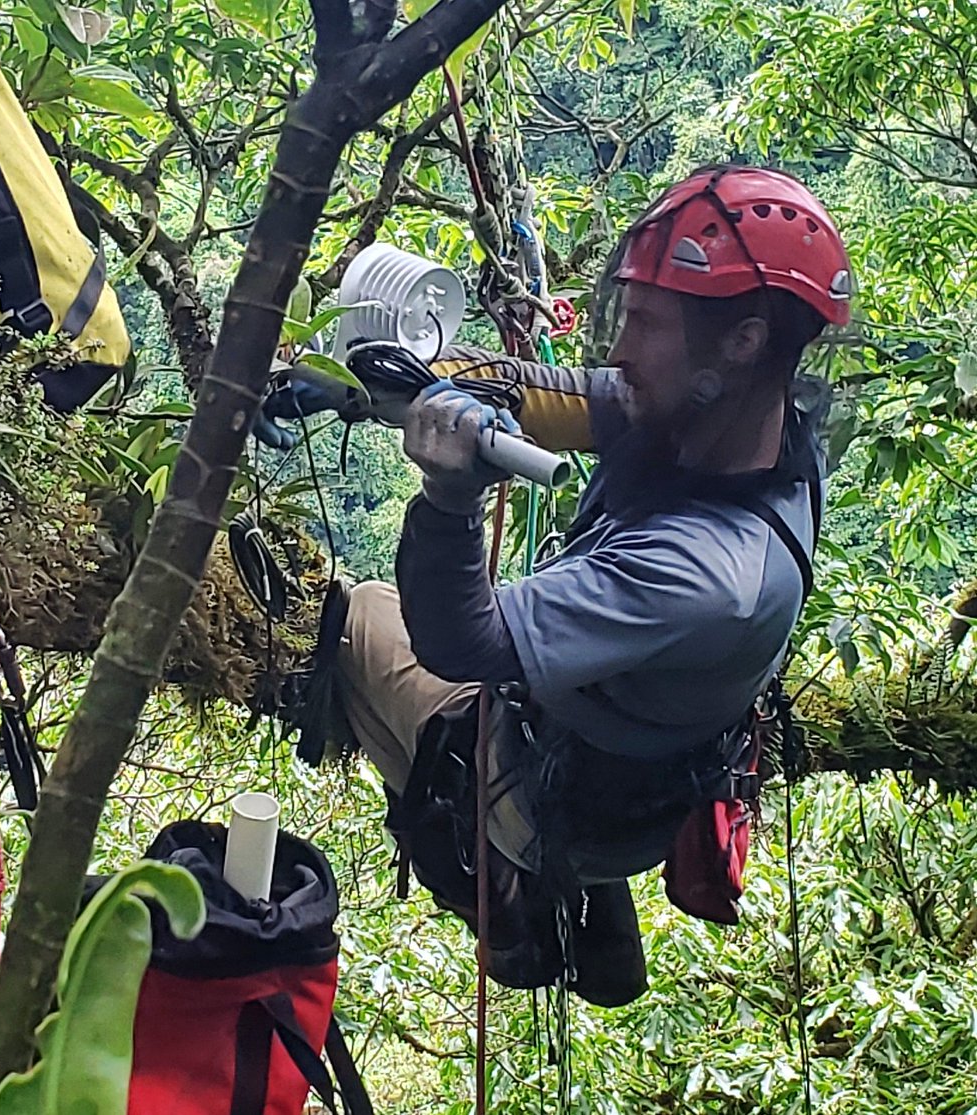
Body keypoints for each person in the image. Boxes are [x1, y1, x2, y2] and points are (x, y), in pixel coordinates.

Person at [266, 165, 851, 1004]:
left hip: (558, 785)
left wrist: (448, 497)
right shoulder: (748, 424)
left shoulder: (710, 577)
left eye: (646, 323)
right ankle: (585, 907)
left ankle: (506, 893)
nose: (620, 347)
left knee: (360, 616)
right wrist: (369, 382)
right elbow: (562, 396)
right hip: (632, 758)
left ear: (742, 340)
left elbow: (464, 641)